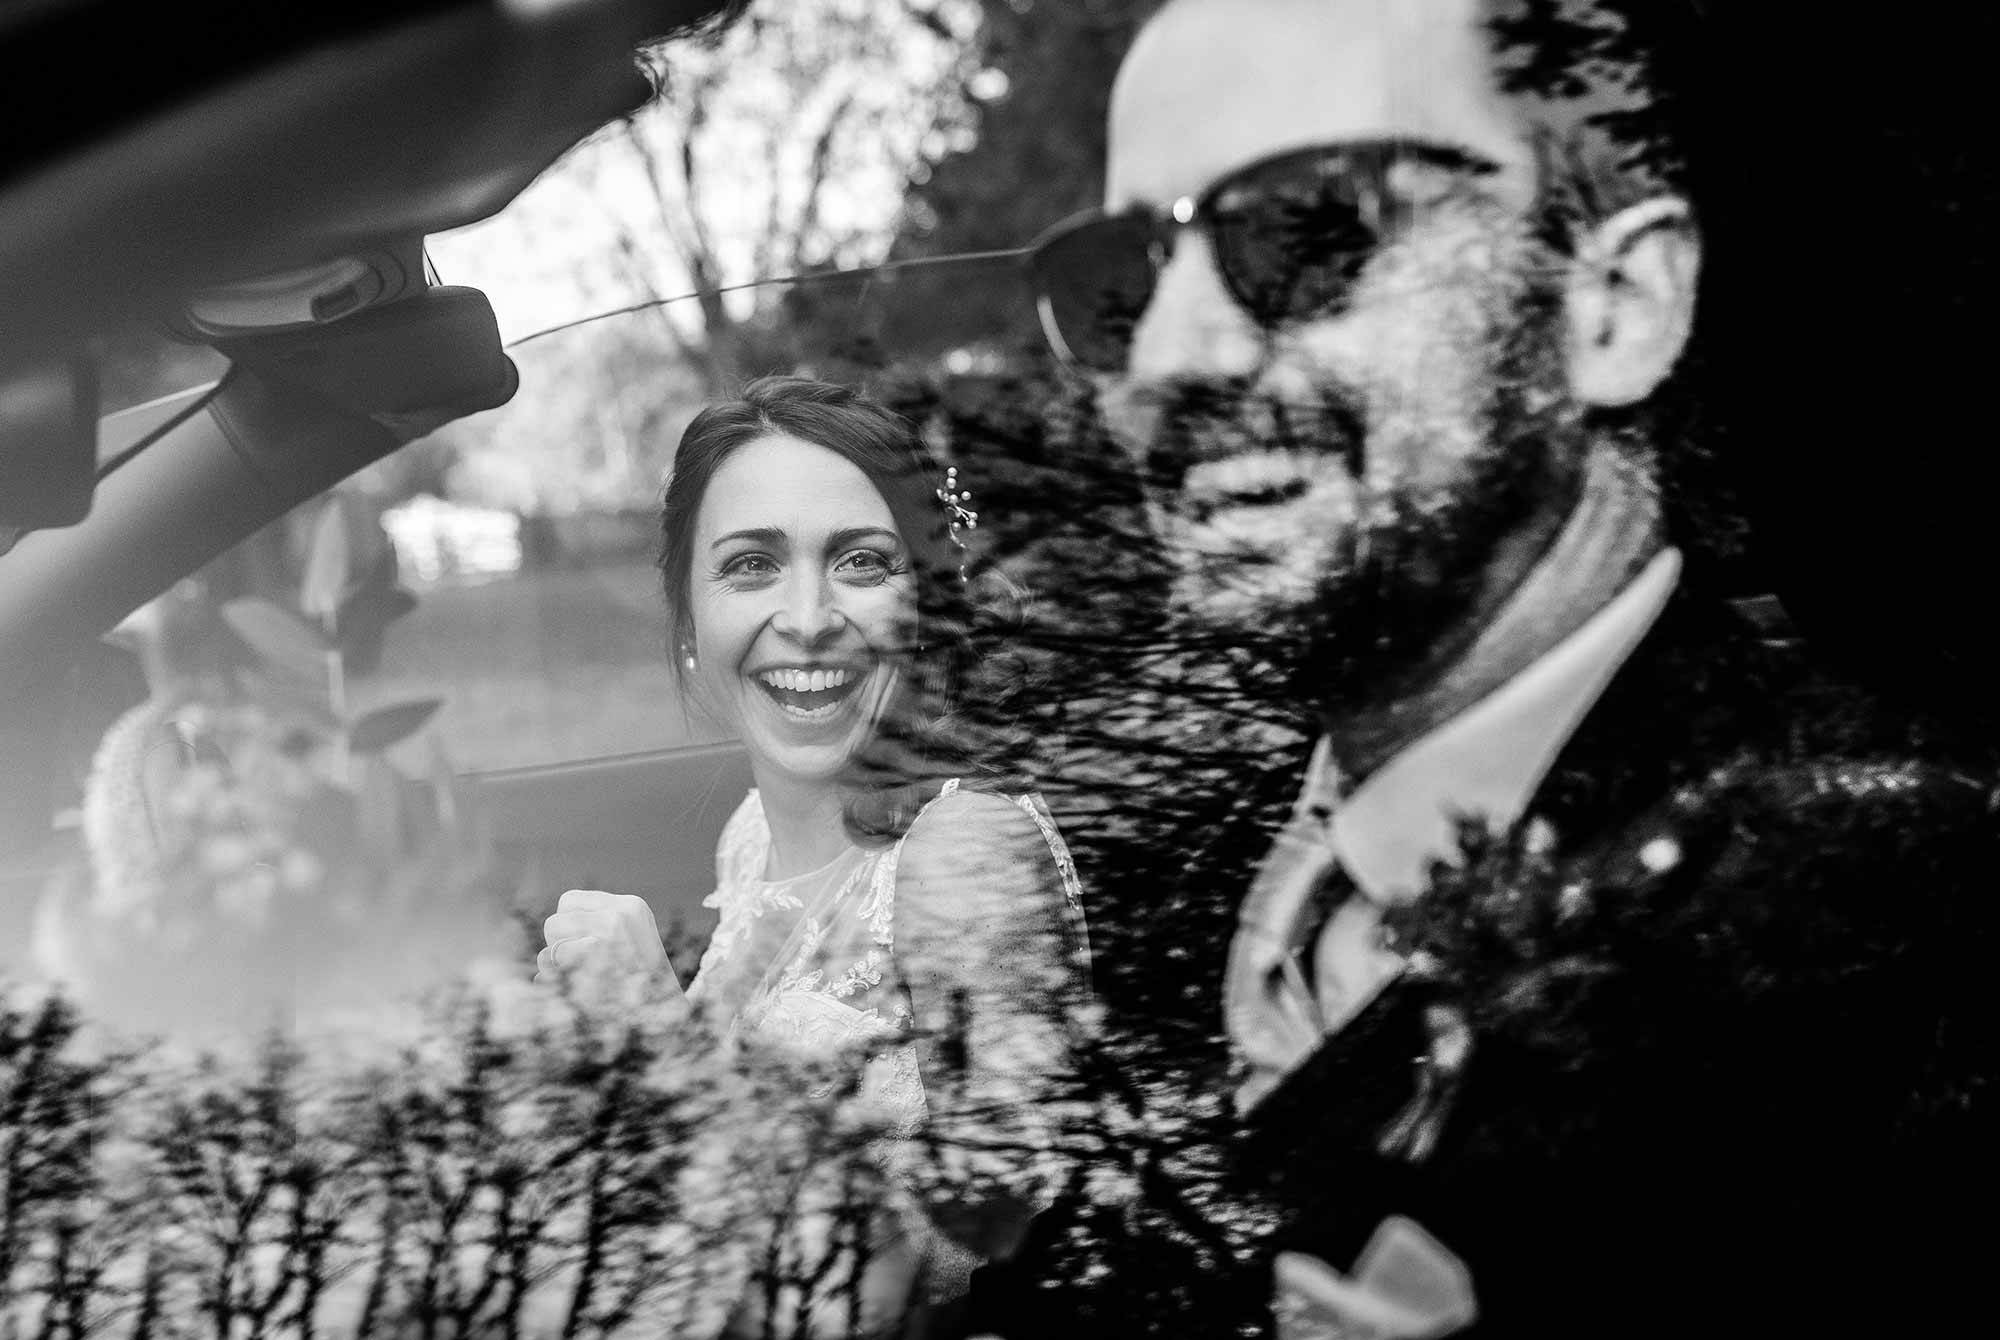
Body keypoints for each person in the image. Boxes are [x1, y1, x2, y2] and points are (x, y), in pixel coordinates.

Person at [1017, 0, 1998, 1335]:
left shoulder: (1889, 931)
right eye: (1117, 282)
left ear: (1617, 307)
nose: (1169, 359)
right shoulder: (1184, 867)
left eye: (1304, 227)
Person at [538, 375, 1091, 1337]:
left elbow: (999, 1261)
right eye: (750, 565)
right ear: (686, 627)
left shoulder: (964, 849)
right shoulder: (747, 837)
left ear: (926, 609)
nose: (806, 615)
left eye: (861, 563)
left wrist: (662, 1044)